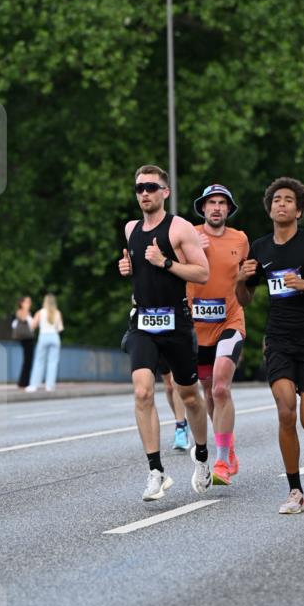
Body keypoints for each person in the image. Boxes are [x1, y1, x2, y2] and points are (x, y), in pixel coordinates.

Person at [236, 177, 304, 514]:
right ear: (270, 208)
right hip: (279, 340)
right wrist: (241, 279)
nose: (281, 204)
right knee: (286, 411)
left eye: (288, 200)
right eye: (276, 200)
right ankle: (295, 491)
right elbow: (245, 299)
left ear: (298, 210)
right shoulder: (260, 248)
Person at [119, 164, 212, 501]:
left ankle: (201, 455)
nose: (145, 193)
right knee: (143, 392)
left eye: (151, 187)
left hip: (176, 323)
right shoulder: (130, 228)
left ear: (165, 192)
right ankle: (156, 470)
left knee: (189, 396)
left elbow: (202, 273)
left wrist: (166, 262)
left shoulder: (180, 228)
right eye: (139, 188)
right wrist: (126, 267)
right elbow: (136, 270)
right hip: (142, 323)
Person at [187, 184, 249, 486]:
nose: (216, 208)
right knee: (209, 392)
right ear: (202, 207)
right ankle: (230, 446)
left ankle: (223, 459)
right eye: (211, 202)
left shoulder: (240, 239)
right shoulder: (188, 236)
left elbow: (246, 282)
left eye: (222, 203)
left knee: (222, 388)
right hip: (196, 329)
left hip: (230, 321)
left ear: (228, 209)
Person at [26, 294, 63, 392]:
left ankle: (34, 385)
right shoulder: (57, 313)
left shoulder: (40, 312)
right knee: (53, 362)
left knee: (39, 361)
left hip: (43, 337)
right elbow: (60, 328)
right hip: (55, 337)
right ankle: (49, 386)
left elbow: (33, 326)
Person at [157, 358, 191, 451]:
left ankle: (180, 428)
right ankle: (182, 423)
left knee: (175, 381)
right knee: (169, 387)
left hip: (176, 343)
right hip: (159, 345)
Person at [12, 295, 36, 389]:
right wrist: (25, 308)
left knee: (29, 360)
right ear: (22, 303)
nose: (29, 304)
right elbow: (23, 319)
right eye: (27, 302)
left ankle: (26, 380)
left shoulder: (28, 312)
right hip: (25, 338)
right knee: (27, 360)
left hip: (29, 338)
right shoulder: (20, 312)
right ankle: (23, 382)